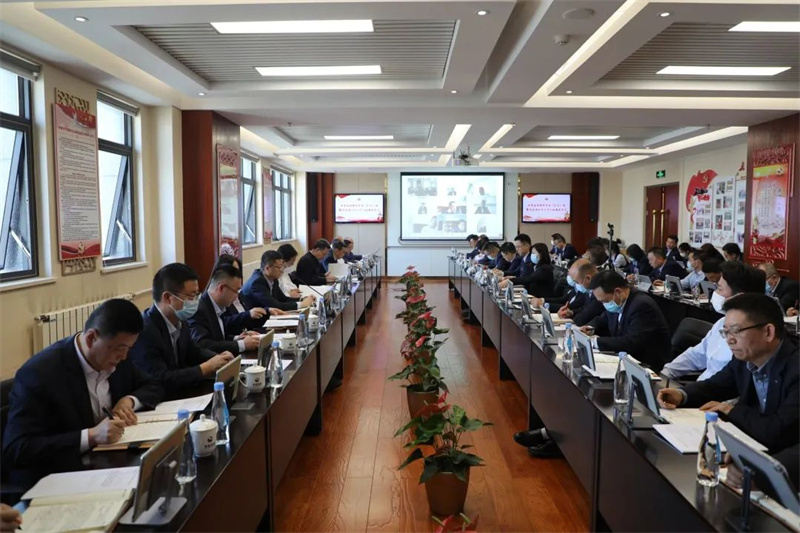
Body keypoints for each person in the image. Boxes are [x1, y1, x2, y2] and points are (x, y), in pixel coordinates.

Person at [3, 300, 164, 471]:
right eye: (120, 348)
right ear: (91, 338)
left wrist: (129, 401)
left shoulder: (116, 356)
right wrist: (91, 436)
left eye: (129, 348)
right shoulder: (40, 374)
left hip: (108, 462)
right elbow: (18, 449)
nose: (124, 356)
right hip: (60, 472)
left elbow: (154, 384)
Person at [658, 293, 799, 451]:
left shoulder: (795, 368)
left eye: (736, 331)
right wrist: (682, 395)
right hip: (751, 445)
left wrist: (730, 410)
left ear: (768, 332)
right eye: (725, 332)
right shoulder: (743, 359)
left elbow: (780, 431)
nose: (729, 340)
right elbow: (715, 386)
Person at [130, 263, 234, 400]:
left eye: (197, 295)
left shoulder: (180, 320)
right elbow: (159, 379)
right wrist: (205, 368)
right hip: (160, 401)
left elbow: (194, 351)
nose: (195, 301)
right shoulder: (145, 331)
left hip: (182, 393)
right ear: (168, 298)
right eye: (191, 297)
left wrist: (219, 359)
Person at [662, 261, 767, 381]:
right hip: (700, 387)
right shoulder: (721, 322)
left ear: (739, 298)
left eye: (720, 289)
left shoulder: (751, 338)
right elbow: (696, 355)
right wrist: (667, 372)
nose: (715, 293)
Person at [582, 270, 672, 372]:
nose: (604, 304)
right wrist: (589, 328)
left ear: (618, 292)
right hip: (626, 359)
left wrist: (595, 342)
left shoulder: (641, 305)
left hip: (646, 366)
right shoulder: (618, 301)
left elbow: (631, 342)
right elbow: (602, 318)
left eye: (604, 301)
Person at [188, 265, 273, 355]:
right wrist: (242, 344)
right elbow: (203, 344)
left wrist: (237, 338)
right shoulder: (199, 309)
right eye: (236, 291)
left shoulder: (217, 305)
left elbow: (219, 337)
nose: (237, 297)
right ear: (221, 288)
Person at [242, 250, 315, 312]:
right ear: (267, 268)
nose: (281, 270)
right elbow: (275, 306)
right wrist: (302, 304)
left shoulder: (273, 278)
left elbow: (282, 299)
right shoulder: (257, 283)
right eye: (279, 267)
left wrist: (302, 299)